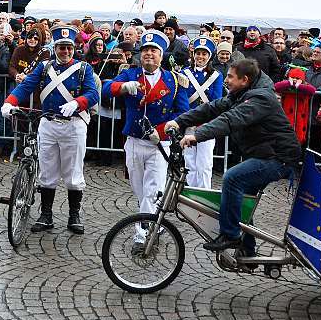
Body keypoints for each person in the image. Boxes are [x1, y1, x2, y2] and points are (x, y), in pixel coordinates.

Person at [170, 59, 301, 254]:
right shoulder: (240, 94)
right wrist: (179, 121)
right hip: (264, 154)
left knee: (232, 178)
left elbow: (230, 119)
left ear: (245, 79)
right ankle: (247, 248)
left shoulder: (260, 98)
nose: (227, 80)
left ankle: (230, 235)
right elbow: (212, 108)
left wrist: (197, 135)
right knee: (244, 199)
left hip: (279, 158)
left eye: (230, 77)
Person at [1, 25, 100, 235]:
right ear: (55, 48)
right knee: (47, 171)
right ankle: (46, 215)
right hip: (48, 123)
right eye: (61, 47)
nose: (65, 51)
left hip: (74, 125)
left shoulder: (84, 69)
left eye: (68, 48)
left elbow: (93, 93)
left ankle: (74, 215)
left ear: (74, 48)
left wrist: (78, 103)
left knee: (73, 173)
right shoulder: (45, 67)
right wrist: (9, 102)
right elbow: (26, 86)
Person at [102, 30, 189, 249]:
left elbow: (182, 112)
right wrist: (122, 87)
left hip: (159, 144)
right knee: (139, 190)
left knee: (152, 190)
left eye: (154, 51)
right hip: (134, 140)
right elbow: (105, 88)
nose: (149, 54)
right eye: (145, 50)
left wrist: (161, 130)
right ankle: (154, 222)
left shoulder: (174, 80)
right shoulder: (131, 74)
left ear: (161, 55)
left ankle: (142, 236)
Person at [180, 38, 224, 189]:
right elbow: (182, 97)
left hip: (207, 123)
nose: (200, 57)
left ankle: (203, 193)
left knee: (204, 163)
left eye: (204, 54)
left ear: (209, 56)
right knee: (190, 161)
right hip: (190, 121)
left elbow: (216, 100)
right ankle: (190, 191)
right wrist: (188, 119)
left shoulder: (216, 75)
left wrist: (207, 121)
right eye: (198, 53)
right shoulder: (184, 73)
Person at [274, 66, 317, 146]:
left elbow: (312, 90)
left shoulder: (305, 87)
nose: (294, 80)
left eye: (297, 78)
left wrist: (298, 85)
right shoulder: (286, 86)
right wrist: (289, 83)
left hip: (300, 119)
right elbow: (276, 87)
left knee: (297, 141)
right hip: (286, 118)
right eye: (292, 78)